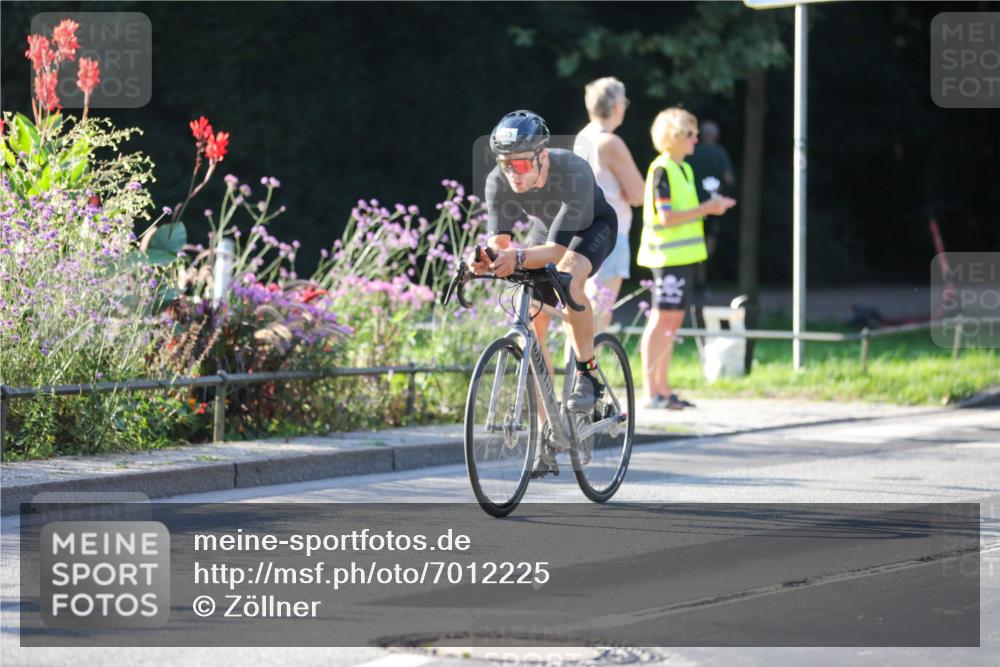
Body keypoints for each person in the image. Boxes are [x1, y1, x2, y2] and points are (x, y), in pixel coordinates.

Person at [469, 110, 617, 412]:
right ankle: (547, 432)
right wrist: (488, 259)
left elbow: (555, 253)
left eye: (521, 163)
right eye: (506, 163)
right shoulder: (498, 181)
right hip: (547, 229)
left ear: (542, 155)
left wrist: (518, 257)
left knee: (568, 276)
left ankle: (586, 374)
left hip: (593, 226)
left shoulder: (574, 172)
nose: (514, 173)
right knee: (531, 334)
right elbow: (500, 243)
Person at [637, 108, 736, 410]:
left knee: (672, 322)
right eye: (690, 134)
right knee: (660, 320)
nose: (696, 139)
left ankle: (664, 389)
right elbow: (666, 217)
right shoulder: (662, 169)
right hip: (667, 258)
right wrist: (708, 208)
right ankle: (651, 390)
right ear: (674, 137)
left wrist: (711, 206)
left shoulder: (685, 169)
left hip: (685, 258)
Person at [573, 77, 645, 332]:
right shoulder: (610, 142)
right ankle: (587, 371)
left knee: (580, 311)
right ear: (616, 107)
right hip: (609, 235)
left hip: (580, 234)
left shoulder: (582, 137)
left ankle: (576, 369)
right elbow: (639, 195)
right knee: (598, 319)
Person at [686, 120, 736, 294]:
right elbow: (729, 178)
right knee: (707, 246)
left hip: (690, 208)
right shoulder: (720, 153)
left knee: (691, 244)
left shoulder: (692, 153)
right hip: (713, 208)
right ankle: (701, 282)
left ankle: (695, 282)